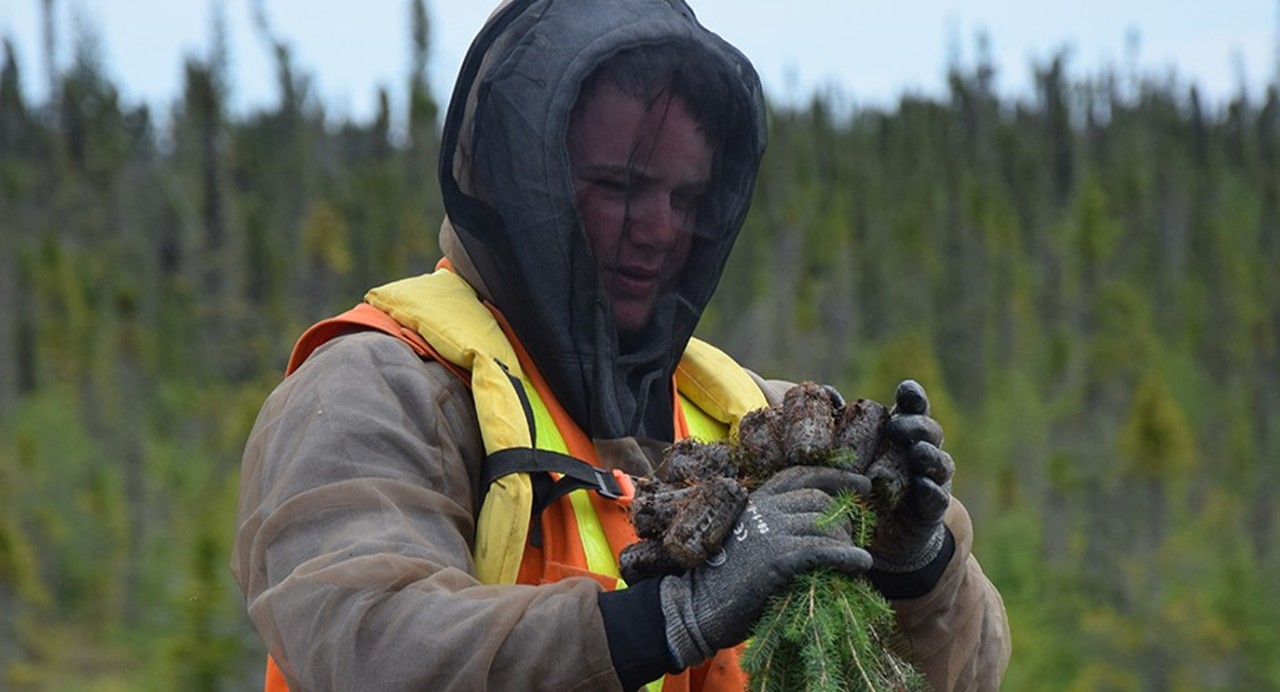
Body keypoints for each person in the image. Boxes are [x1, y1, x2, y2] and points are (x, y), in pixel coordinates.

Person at [231, 0, 1011, 690]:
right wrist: (669, 619)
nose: (662, 229)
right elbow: (366, 645)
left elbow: (959, 673)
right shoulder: (377, 389)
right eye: (619, 187)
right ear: (520, 181)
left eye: (686, 196)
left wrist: (916, 566)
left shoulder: (750, 418)